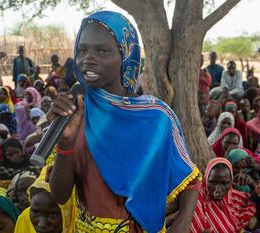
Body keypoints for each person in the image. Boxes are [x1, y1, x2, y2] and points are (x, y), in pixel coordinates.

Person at [48, 11, 199, 233]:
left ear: (126, 55)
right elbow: (59, 195)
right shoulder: (74, 113)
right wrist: (65, 143)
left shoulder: (156, 117)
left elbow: (190, 179)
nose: (88, 59)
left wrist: (183, 222)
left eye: (101, 50)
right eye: (82, 50)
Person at [190, 158, 256, 233]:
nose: (218, 189)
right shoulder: (196, 200)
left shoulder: (236, 198)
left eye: (224, 183)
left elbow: (258, 201)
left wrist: (253, 184)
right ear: (206, 179)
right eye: (213, 182)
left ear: (231, 182)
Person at [14, 166, 76, 233]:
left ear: (67, 211)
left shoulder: (80, 225)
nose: (41, 224)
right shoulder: (25, 220)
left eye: (53, 214)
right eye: (36, 212)